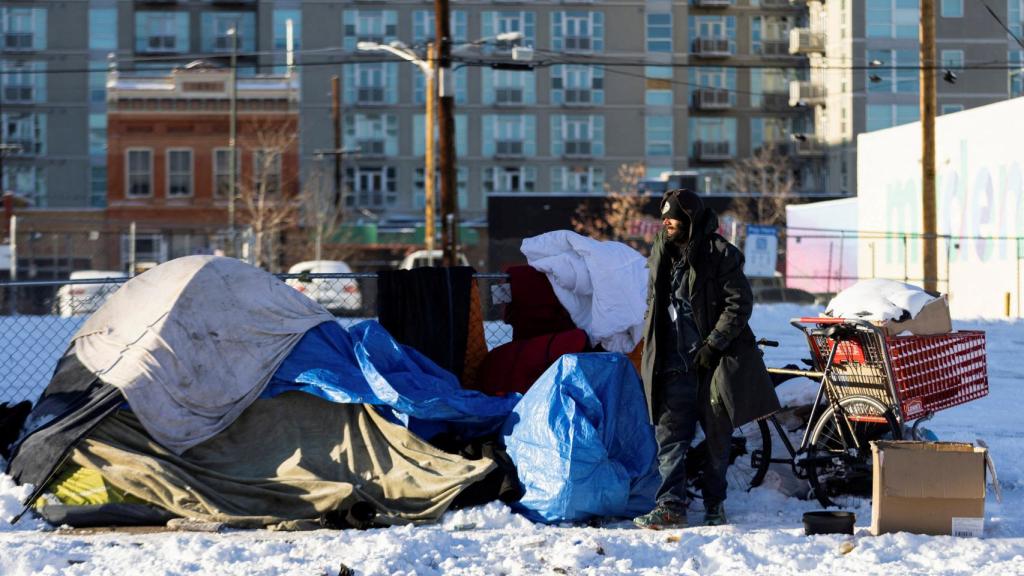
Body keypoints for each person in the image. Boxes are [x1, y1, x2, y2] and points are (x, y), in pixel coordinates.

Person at [634, 188, 781, 529]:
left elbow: (738, 304)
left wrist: (713, 345)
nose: (666, 222)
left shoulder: (720, 253)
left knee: (717, 438)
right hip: (671, 363)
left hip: (711, 365)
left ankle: (715, 504)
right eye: (664, 217)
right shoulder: (660, 249)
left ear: (689, 218)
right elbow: (653, 300)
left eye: (672, 217)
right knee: (669, 438)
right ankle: (671, 506)